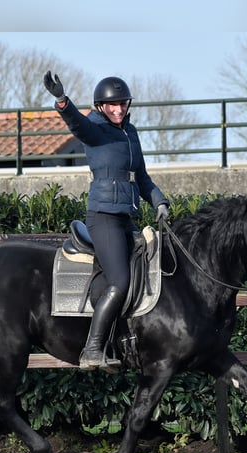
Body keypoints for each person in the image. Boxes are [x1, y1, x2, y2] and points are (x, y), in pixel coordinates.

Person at [43, 71, 170, 371]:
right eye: (112, 105)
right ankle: (93, 349)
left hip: (128, 217)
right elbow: (77, 123)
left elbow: (142, 178)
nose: (118, 109)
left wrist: (160, 202)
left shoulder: (131, 133)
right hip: (103, 219)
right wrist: (62, 101)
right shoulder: (95, 129)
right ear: (101, 106)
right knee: (121, 281)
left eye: (122, 104)